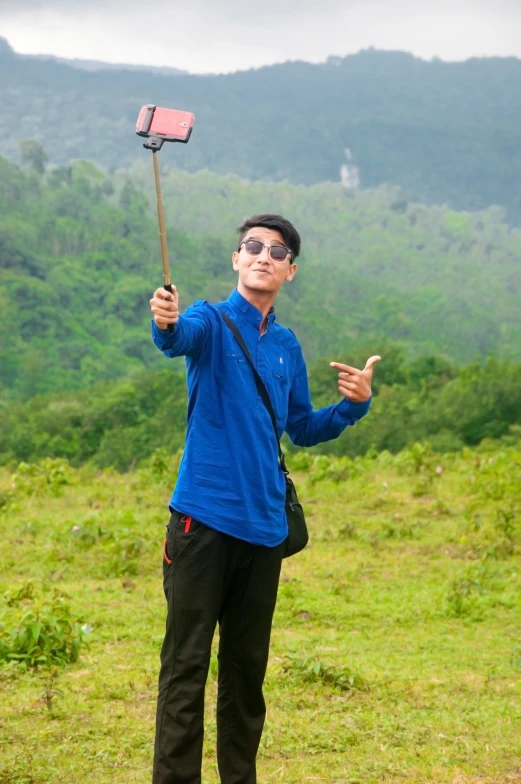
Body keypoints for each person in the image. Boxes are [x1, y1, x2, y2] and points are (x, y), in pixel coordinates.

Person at [149, 214, 380, 784]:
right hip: (201, 524)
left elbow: (300, 426)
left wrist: (353, 406)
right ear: (236, 258)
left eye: (276, 252)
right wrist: (164, 320)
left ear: (290, 272)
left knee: (247, 674)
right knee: (186, 667)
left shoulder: (285, 345)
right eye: (252, 247)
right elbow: (176, 338)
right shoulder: (207, 317)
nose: (262, 256)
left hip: (265, 531)